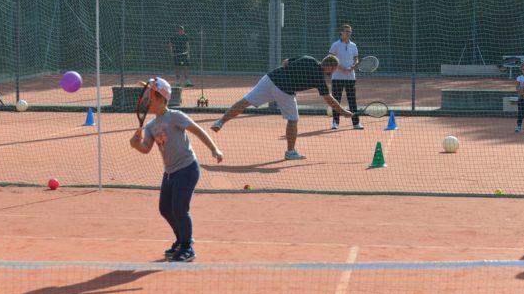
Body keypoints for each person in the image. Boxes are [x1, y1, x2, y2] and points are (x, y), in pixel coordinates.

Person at [129, 77, 223, 261]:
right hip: (170, 172)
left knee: (179, 208)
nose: (146, 99)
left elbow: (197, 130)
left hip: (187, 168)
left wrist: (214, 149)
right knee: (165, 208)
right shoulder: (150, 126)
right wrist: (136, 144)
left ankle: (188, 248)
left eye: (149, 96)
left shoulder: (175, 116)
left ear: (161, 98)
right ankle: (181, 239)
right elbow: (146, 148)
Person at [210, 55, 353, 160]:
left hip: (270, 78)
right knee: (293, 119)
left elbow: (285, 62)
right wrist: (343, 112)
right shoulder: (320, 79)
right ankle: (290, 152)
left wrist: (293, 73)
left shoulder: (308, 59)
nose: (333, 72)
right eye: (334, 69)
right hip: (284, 90)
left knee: (245, 101)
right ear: (330, 67)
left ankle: (220, 122)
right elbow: (329, 99)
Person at [328, 24, 363, 130]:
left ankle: (356, 123)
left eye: (349, 31)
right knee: (336, 100)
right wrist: (341, 67)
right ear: (341, 32)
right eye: (346, 31)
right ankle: (335, 123)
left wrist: (353, 65)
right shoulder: (335, 45)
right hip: (337, 77)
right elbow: (330, 58)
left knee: (352, 101)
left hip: (350, 77)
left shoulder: (353, 45)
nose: (348, 33)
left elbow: (356, 58)